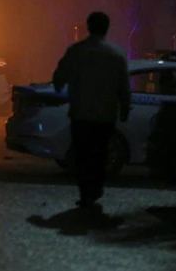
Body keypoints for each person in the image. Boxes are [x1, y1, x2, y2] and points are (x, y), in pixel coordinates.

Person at [52, 11, 131, 207]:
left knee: (82, 152)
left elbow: (59, 77)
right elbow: (124, 86)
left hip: (81, 114)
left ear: (88, 27)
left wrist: (60, 85)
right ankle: (95, 188)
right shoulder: (117, 55)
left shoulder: (76, 51)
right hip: (105, 115)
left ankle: (86, 190)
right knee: (99, 152)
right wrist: (125, 108)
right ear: (107, 28)